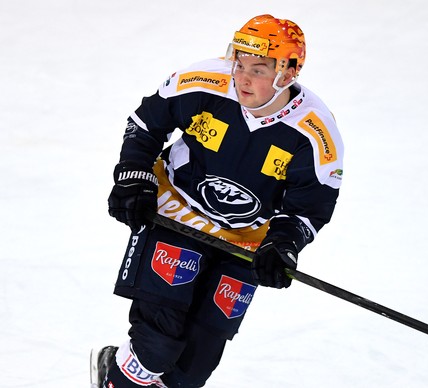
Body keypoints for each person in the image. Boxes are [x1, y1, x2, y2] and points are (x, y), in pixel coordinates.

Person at [95, 14, 344, 387]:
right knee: (156, 346)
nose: (242, 77)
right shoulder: (204, 82)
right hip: (176, 213)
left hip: (244, 241)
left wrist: (284, 244)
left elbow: (308, 208)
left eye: (258, 69)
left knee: (193, 369)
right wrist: (134, 175)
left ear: (288, 72)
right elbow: (145, 124)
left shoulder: (315, 134)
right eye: (239, 63)